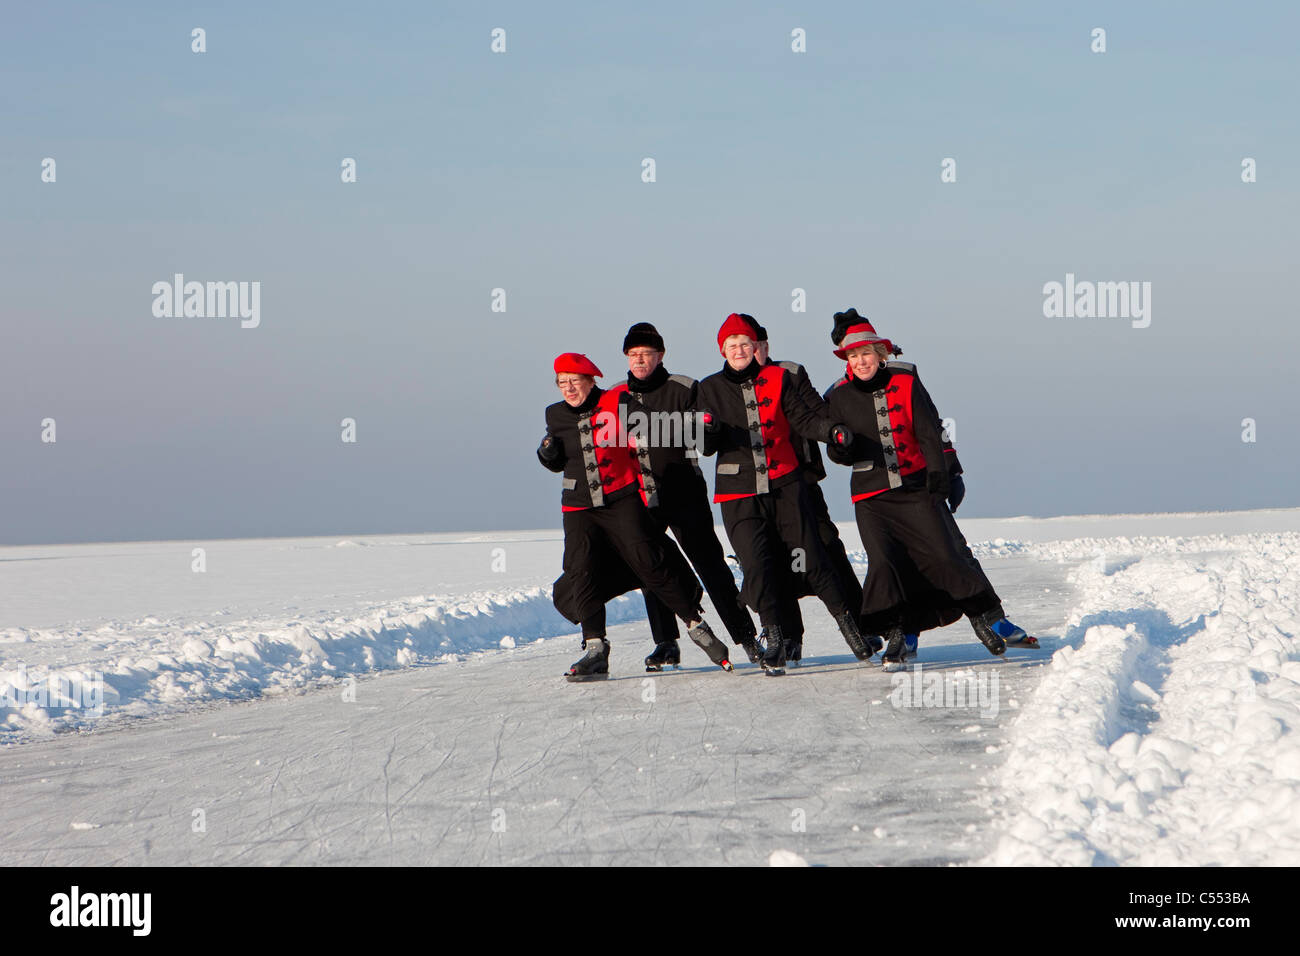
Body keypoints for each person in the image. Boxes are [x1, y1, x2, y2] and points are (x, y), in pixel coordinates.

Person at [828, 308, 1037, 659]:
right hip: (872, 495)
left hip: (916, 486)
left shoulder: (905, 378)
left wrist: (947, 472)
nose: (861, 361)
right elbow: (837, 454)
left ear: (879, 354)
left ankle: (989, 617)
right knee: (885, 563)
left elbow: (930, 428)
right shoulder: (836, 395)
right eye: (853, 355)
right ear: (846, 359)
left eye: (866, 353)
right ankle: (901, 632)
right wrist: (840, 445)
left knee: (946, 554)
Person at [538, 352, 733, 680]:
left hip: (620, 498)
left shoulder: (617, 401)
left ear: (591, 381)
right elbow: (556, 460)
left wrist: (696, 425)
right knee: (579, 568)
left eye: (574, 382)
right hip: (578, 504)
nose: (568, 389)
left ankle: (695, 625)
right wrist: (547, 453)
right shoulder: (555, 414)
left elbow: (656, 425)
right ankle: (595, 648)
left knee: (648, 560)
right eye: (562, 383)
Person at [696, 314, 871, 675]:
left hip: (787, 483)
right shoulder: (708, 388)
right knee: (758, 566)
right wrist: (707, 429)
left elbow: (804, 419)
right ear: (723, 351)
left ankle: (852, 629)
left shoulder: (780, 377)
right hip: (737, 493)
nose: (741, 350)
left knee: (813, 557)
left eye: (746, 344)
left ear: (758, 347)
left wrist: (832, 430)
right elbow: (705, 445)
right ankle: (775, 638)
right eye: (732, 346)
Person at [607, 323, 763, 670]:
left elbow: (702, 436)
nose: (640, 360)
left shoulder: (684, 387)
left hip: (683, 492)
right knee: (652, 566)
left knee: (711, 566)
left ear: (660, 355)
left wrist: (693, 427)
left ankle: (748, 637)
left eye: (646, 354)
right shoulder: (615, 395)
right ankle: (666, 643)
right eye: (633, 355)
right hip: (639, 497)